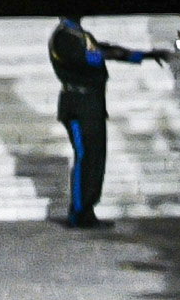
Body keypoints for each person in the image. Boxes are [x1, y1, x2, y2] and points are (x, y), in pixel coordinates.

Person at [45, 12, 149, 225]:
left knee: (96, 158)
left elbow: (102, 49)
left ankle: (88, 209)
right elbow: (85, 58)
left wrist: (139, 56)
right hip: (77, 104)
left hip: (92, 104)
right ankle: (78, 212)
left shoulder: (80, 34)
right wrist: (106, 54)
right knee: (85, 156)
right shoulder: (63, 36)